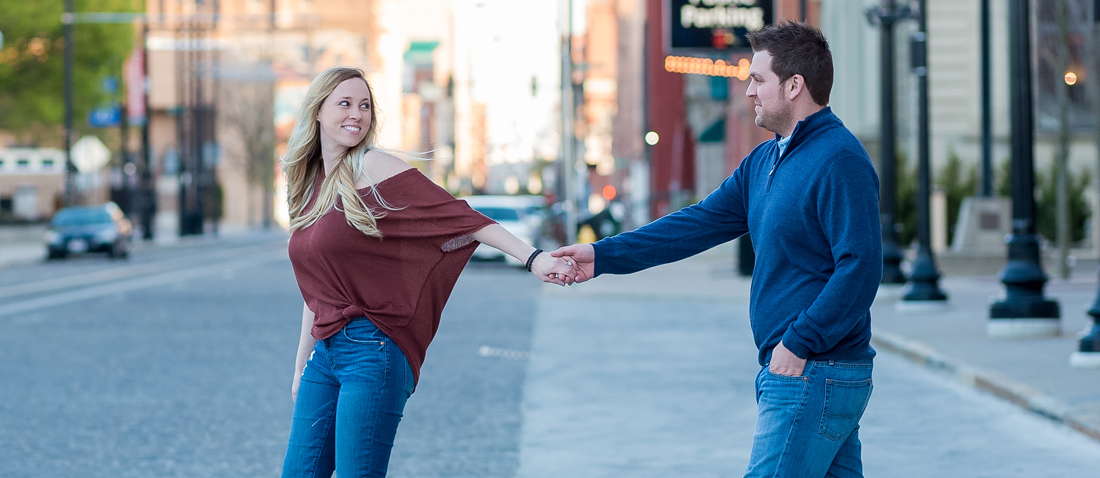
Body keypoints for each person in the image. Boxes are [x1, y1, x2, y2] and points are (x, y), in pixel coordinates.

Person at [553, 21, 882, 478]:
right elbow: (696, 224)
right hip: (802, 371)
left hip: (813, 370)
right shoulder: (766, 160)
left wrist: (798, 342)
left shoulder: (839, 159)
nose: (748, 92)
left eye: (757, 79)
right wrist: (604, 256)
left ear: (794, 86)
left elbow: (861, 267)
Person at [279, 66, 576, 478]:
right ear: (317, 111)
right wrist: (300, 367)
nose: (356, 114)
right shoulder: (309, 185)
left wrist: (534, 258)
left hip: (373, 350)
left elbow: (462, 217)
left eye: (364, 105)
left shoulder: (374, 166)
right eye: (344, 103)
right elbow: (317, 292)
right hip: (324, 357)